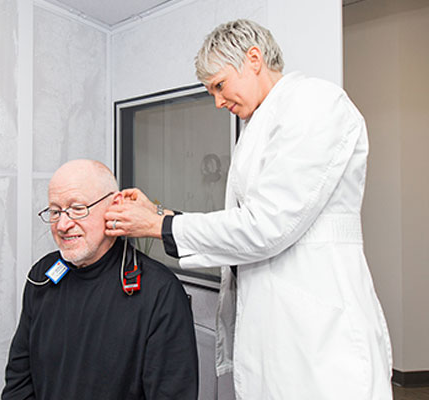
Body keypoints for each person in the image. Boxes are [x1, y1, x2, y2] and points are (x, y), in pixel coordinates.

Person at [104, 19, 393, 400]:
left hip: (319, 330)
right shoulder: (262, 125)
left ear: (253, 58)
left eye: (220, 86)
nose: (218, 102)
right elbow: (252, 222)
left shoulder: (315, 103)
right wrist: (161, 214)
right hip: (277, 328)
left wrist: (158, 225)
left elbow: (267, 225)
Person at [1, 159, 199, 400]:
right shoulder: (42, 275)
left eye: (77, 208)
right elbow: (19, 382)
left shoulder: (159, 291)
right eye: (55, 211)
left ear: (114, 206)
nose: (63, 224)